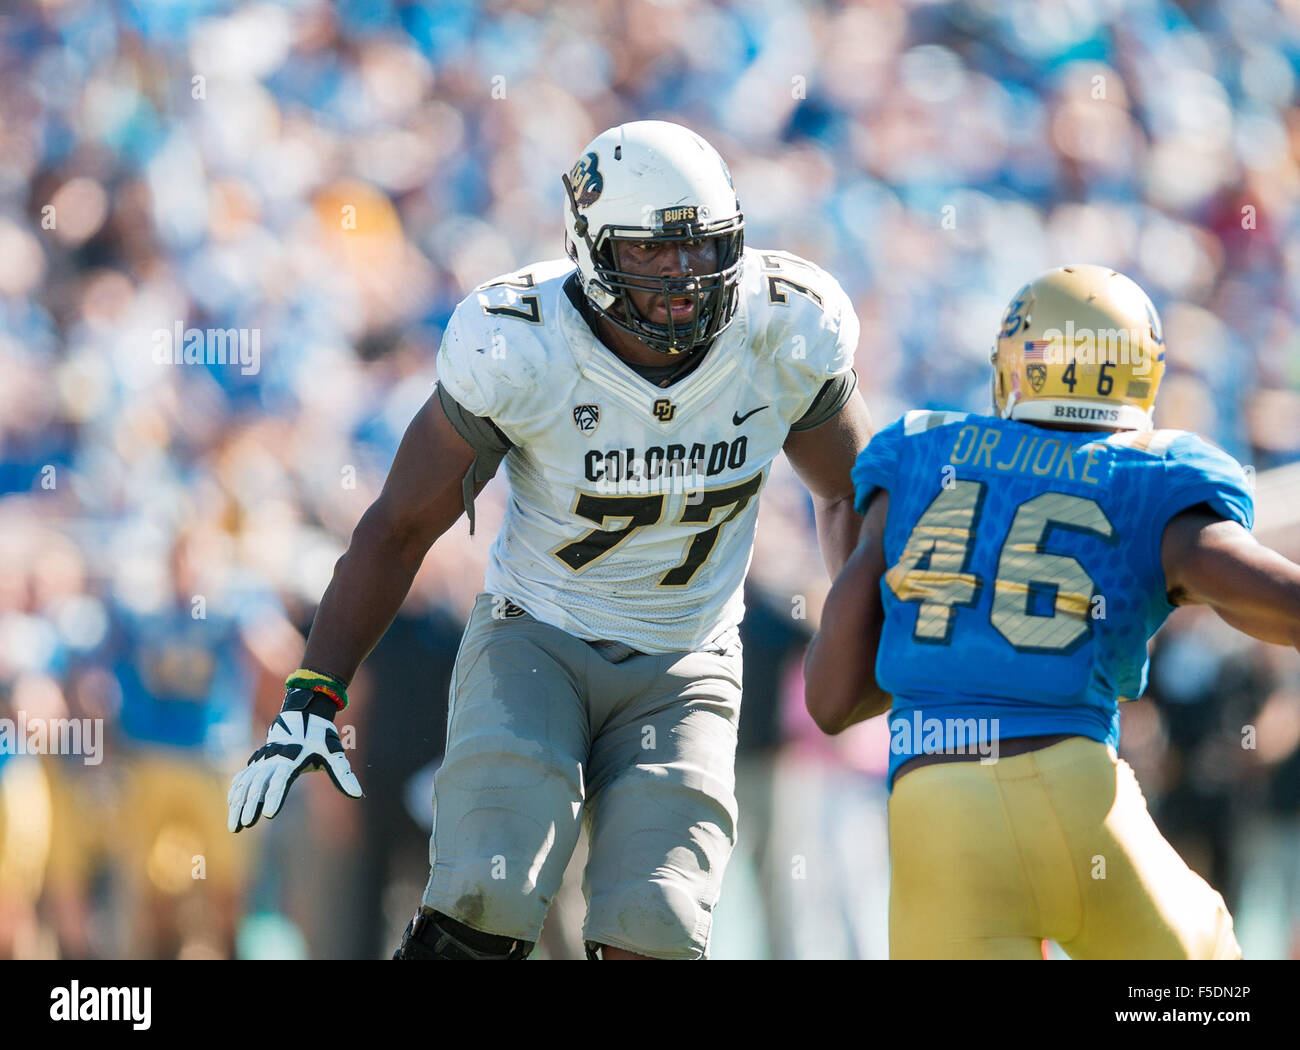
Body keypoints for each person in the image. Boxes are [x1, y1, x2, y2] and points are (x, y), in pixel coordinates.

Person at [227, 120, 873, 960]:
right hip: (539, 636)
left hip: (687, 656)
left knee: (659, 925)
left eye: (704, 249)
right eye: (655, 252)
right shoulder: (520, 341)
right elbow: (400, 526)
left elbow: (850, 494)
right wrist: (317, 688)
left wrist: (872, 629)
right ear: (593, 247)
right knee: (484, 893)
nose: (686, 276)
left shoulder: (782, 326)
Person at [804, 263, 1300, 959]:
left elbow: (831, 700)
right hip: (1074, 797)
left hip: (936, 816)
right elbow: (1278, 599)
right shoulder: (1149, 478)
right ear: (1142, 374)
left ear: (1013, 366)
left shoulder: (919, 456)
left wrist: (948, 634)